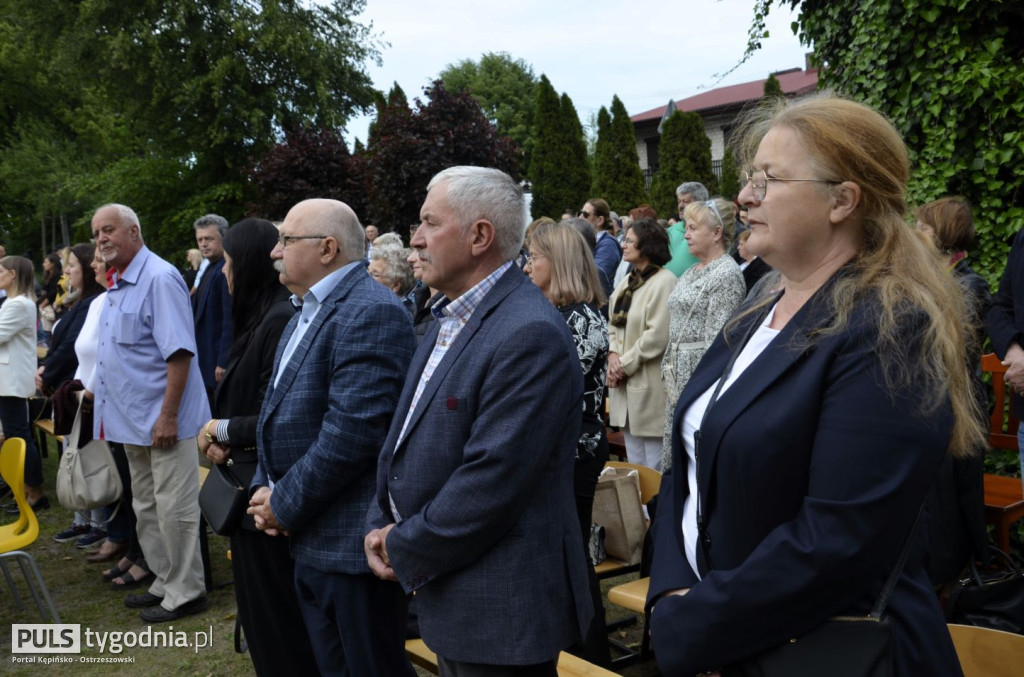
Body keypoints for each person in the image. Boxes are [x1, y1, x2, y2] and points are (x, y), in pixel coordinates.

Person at [646, 95, 983, 675]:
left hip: (825, 653)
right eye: (750, 179)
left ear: (842, 200)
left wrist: (693, 622)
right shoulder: (758, 308)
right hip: (733, 640)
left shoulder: (890, 325)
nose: (745, 197)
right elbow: (690, 463)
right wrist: (672, 591)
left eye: (768, 180)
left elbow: (838, 539)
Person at [365, 166, 593, 676]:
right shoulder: (449, 315)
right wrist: (379, 521)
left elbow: (491, 480)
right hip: (457, 592)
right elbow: (404, 438)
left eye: (428, 223)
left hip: (500, 609)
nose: (414, 242)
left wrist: (400, 544)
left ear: (480, 236)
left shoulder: (527, 332)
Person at [249, 199, 416, 676]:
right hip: (310, 535)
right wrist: (267, 487)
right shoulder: (304, 308)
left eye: (286, 240)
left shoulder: (371, 311)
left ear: (327, 248)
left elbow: (352, 434)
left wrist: (283, 502)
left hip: (349, 545)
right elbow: (276, 411)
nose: (274, 252)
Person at [197, 218, 317, 676]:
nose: (224, 274)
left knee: (280, 634)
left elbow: (278, 415)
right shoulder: (262, 319)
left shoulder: (280, 319)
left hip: (268, 498)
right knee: (265, 630)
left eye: (227, 263)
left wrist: (220, 430)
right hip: (251, 497)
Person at [85, 203, 210, 622]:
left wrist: (168, 416)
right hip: (132, 423)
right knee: (148, 507)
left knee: (175, 508)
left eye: (109, 230)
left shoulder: (158, 278)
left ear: (135, 232)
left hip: (163, 423)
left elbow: (179, 354)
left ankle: (187, 591)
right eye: (96, 232)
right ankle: (164, 579)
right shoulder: (119, 282)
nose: (101, 238)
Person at [525, 221, 611, 667]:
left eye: (534, 258)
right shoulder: (563, 313)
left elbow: (552, 391)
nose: (526, 266)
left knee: (573, 554)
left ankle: (589, 654)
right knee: (567, 552)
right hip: (569, 448)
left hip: (575, 451)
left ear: (556, 263)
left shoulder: (577, 317)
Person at [915, 197, 989, 585]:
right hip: (927, 402)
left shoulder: (970, 284)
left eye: (924, 229)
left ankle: (956, 581)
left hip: (958, 408)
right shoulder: (926, 278)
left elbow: (950, 351)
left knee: (950, 504)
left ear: (943, 236)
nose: (915, 233)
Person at [660, 198, 745, 470]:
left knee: (695, 463)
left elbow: (718, 344)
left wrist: (697, 385)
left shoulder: (727, 275)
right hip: (678, 377)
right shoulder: (689, 272)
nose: (685, 235)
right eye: (686, 227)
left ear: (717, 233)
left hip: (698, 380)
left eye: (693, 228)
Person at [607, 217, 677, 471]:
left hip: (649, 386)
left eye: (629, 241)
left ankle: (654, 512)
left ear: (646, 246)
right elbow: (613, 324)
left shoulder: (665, 282)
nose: (623, 245)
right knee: (634, 463)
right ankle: (639, 512)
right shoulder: (628, 281)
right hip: (625, 386)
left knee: (654, 465)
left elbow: (657, 335)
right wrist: (613, 355)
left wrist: (622, 365)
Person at [0, 256, 48, 511]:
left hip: (12, 381)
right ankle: (26, 489)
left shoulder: (19, 304)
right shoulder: (12, 301)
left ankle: (35, 492)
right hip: (7, 379)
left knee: (19, 435)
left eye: (0, 270)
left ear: (13, 274)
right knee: (16, 435)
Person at [192, 214, 233, 404]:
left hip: (216, 360)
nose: (203, 244)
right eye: (200, 239)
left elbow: (229, 317)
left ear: (224, 238)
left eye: (209, 238)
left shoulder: (226, 269)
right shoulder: (209, 267)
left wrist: (223, 360)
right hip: (205, 356)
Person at [579, 198, 621, 296]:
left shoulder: (608, 244)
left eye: (585, 215)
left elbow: (596, 277)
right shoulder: (594, 240)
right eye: (580, 213)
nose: (580, 218)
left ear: (599, 220)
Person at [664, 182, 706, 276]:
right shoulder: (671, 230)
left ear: (700, 203)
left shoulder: (708, 231)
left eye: (686, 201)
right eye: (679, 201)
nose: (681, 206)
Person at [736, 229, 772, 293]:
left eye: (741, 244)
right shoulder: (742, 262)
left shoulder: (759, 267)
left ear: (750, 245)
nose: (738, 247)